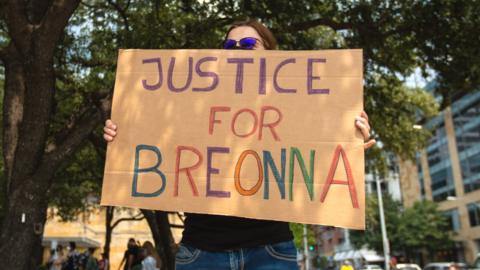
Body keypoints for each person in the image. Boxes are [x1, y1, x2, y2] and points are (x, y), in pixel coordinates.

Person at [103, 18, 375, 270]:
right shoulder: (193, 102)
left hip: (270, 252)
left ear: (269, 52)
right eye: (229, 45)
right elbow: (154, 135)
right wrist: (123, 135)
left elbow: (315, 162)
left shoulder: (299, 107)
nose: (237, 50)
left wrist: (347, 146)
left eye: (248, 44)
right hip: (202, 251)